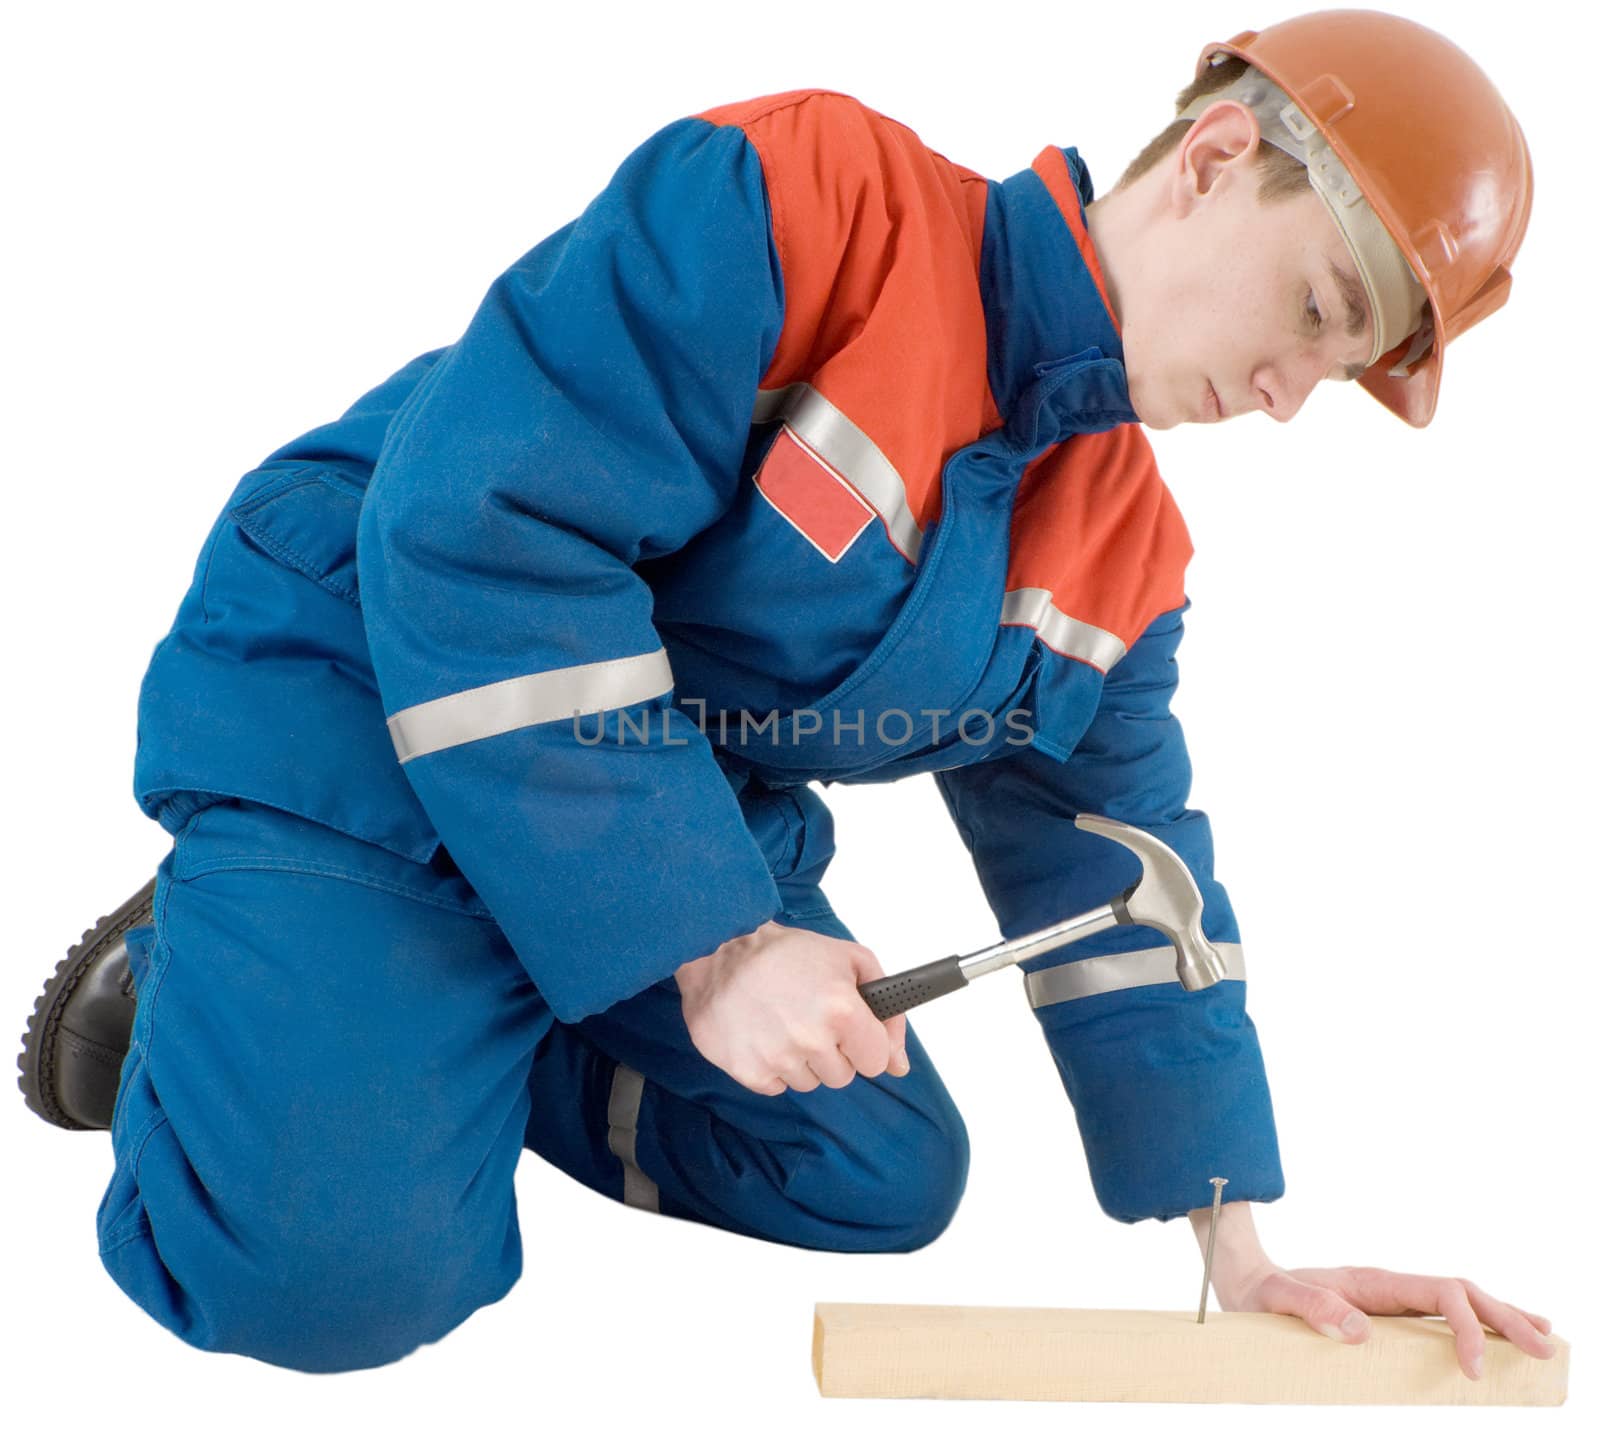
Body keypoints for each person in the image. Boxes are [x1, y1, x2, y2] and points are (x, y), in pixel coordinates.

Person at [17, 9, 1556, 1378]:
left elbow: (1123, 867)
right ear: (1219, 160)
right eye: (1311, 314)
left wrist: (1243, 1249)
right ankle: (201, 988)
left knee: (874, 1169)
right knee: (327, 1288)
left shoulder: (1119, 551)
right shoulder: (810, 201)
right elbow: (491, 529)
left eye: (1335, 374)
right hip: (375, 707)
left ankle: (443, 1029)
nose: (1290, 398)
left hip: (648, 819)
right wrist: (715, 946)